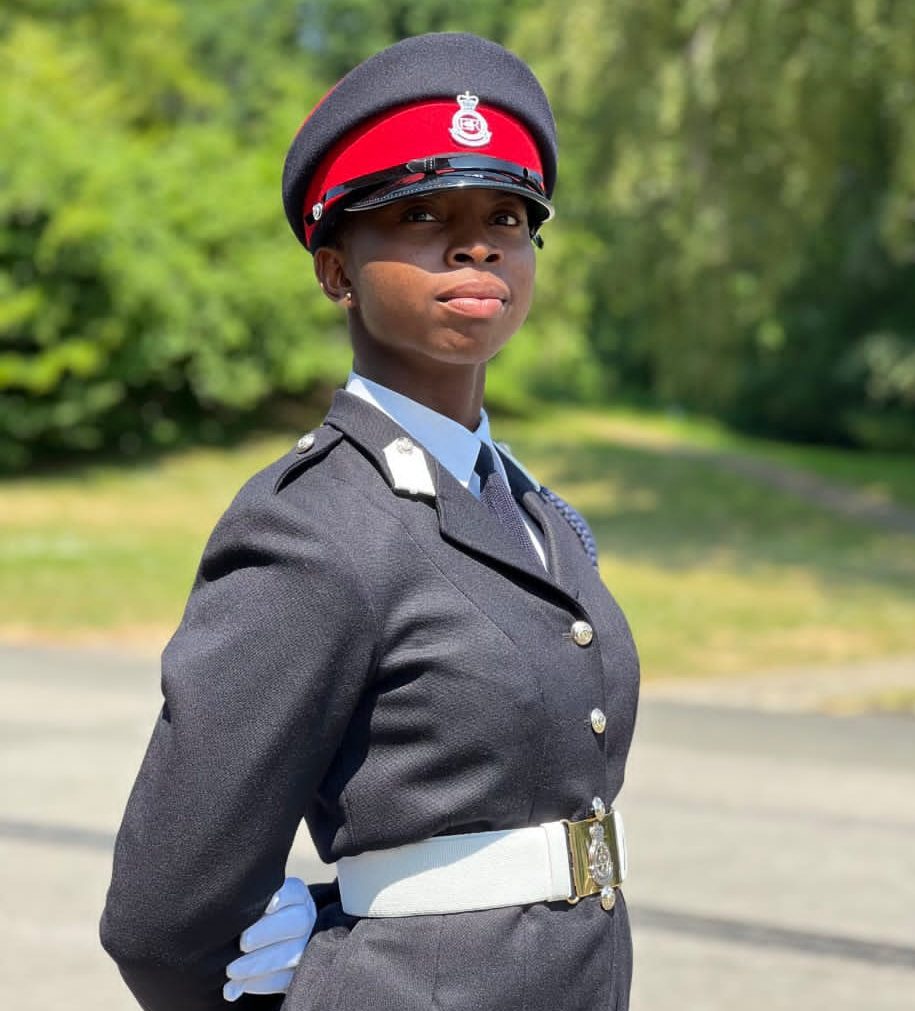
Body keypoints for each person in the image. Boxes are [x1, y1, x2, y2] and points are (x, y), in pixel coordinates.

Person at [100, 32, 640, 1011]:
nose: (476, 244)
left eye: (507, 218)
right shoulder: (311, 531)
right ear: (335, 268)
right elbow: (163, 919)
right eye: (424, 211)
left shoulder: (535, 512)